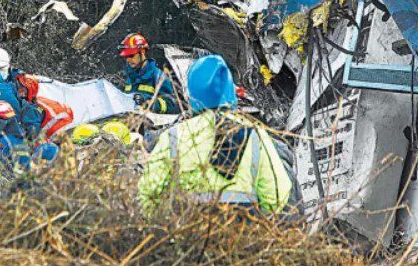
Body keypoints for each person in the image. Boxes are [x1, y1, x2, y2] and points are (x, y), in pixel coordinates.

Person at [138, 55, 293, 214]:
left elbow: (147, 196)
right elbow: (276, 197)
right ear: (229, 89)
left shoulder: (173, 136)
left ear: (191, 93)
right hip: (244, 233)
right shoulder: (255, 134)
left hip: (188, 232)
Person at [118, 33, 180, 114]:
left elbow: (172, 106)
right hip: (131, 123)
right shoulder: (129, 77)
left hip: (151, 124)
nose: (128, 60)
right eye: (126, 56)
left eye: (131, 55)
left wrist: (147, 102)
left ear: (142, 52)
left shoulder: (158, 76)